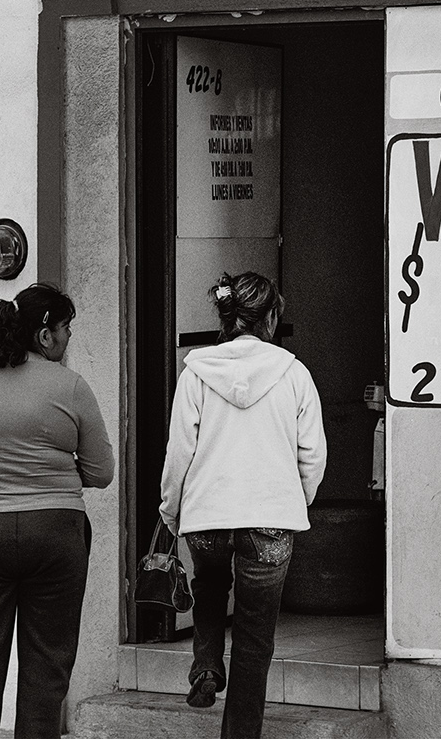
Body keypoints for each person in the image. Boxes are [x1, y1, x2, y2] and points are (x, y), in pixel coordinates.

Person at [0, 282, 114, 739]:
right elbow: (102, 471)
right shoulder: (69, 385)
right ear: (45, 334)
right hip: (54, 534)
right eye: (66, 328)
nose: (69, 338)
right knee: (46, 671)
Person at [159, 272, 326, 737]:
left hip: (207, 518)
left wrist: (171, 511)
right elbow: (312, 455)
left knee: (209, 584)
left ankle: (207, 665)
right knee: (255, 636)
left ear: (227, 317)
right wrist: (296, 502)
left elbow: (179, 453)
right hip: (271, 520)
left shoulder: (196, 372)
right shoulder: (294, 373)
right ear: (272, 316)